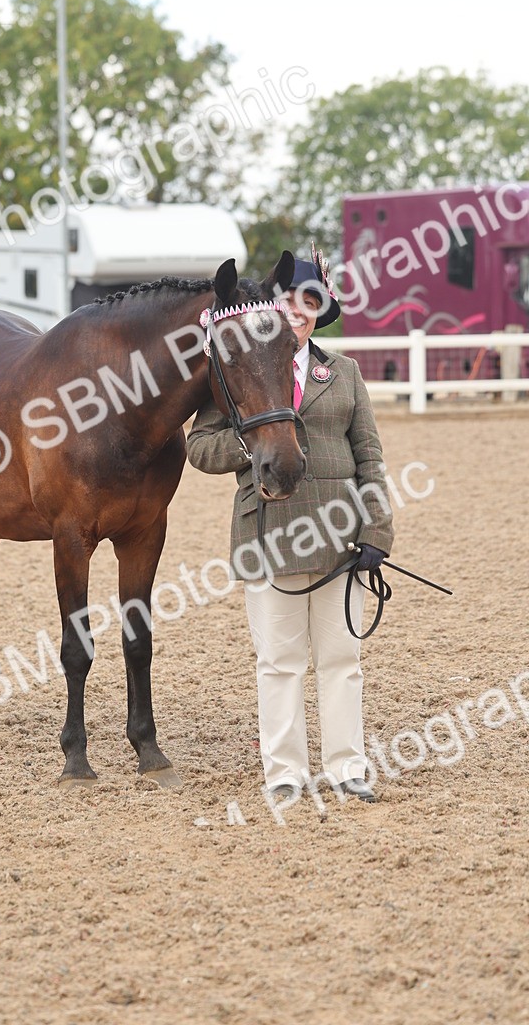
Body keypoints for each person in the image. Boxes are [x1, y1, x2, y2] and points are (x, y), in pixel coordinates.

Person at [187, 251, 394, 804]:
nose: (298, 312)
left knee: (341, 660)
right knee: (278, 662)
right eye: (288, 302)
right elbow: (199, 446)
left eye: (309, 303)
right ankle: (284, 775)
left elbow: (370, 457)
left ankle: (347, 768)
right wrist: (252, 444)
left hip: (339, 538)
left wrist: (377, 531)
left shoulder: (343, 373)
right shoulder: (236, 368)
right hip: (268, 533)